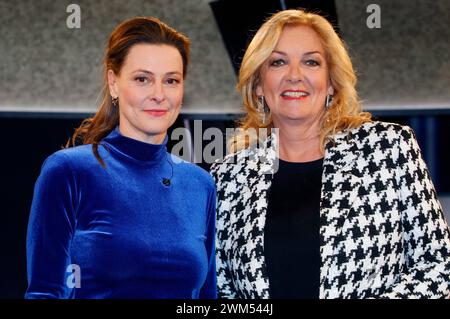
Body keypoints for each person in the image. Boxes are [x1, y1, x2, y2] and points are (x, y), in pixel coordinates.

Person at [210, 9, 450, 299]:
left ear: (332, 81)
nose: (294, 75)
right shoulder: (227, 177)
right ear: (259, 85)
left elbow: (438, 266)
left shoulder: (389, 148)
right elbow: (222, 291)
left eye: (311, 62)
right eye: (278, 62)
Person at [25, 17, 216, 299]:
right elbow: (44, 293)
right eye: (142, 79)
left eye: (171, 81)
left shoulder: (200, 184)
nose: (159, 94)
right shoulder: (68, 171)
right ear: (113, 83)